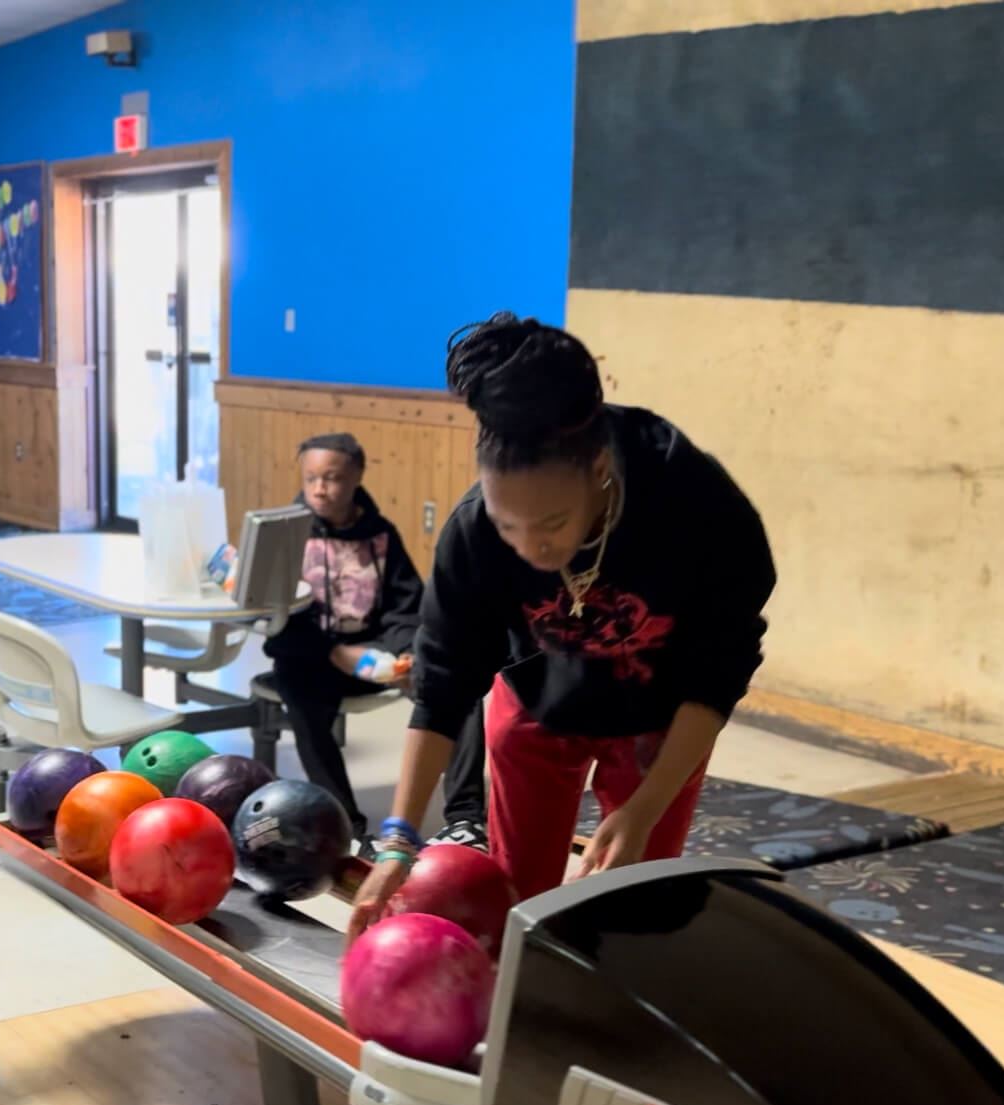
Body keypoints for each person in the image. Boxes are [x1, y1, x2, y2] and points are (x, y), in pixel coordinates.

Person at [351, 313, 776, 926]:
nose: (529, 550)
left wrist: (645, 807)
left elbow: (721, 670)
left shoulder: (696, 507)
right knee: (522, 905)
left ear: (600, 470)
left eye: (551, 524)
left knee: (634, 906)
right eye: (508, 525)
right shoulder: (473, 531)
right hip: (536, 705)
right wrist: (397, 840)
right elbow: (441, 684)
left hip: (659, 718)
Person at [262, 433, 488, 848]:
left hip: (374, 657)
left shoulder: (381, 534)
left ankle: (467, 818)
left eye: (331, 478)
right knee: (299, 692)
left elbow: (406, 608)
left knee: (458, 686)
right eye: (311, 478)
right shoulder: (286, 536)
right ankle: (346, 825)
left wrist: (404, 655)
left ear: (356, 477)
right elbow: (272, 621)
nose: (319, 489)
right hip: (312, 658)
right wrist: (333, 652)